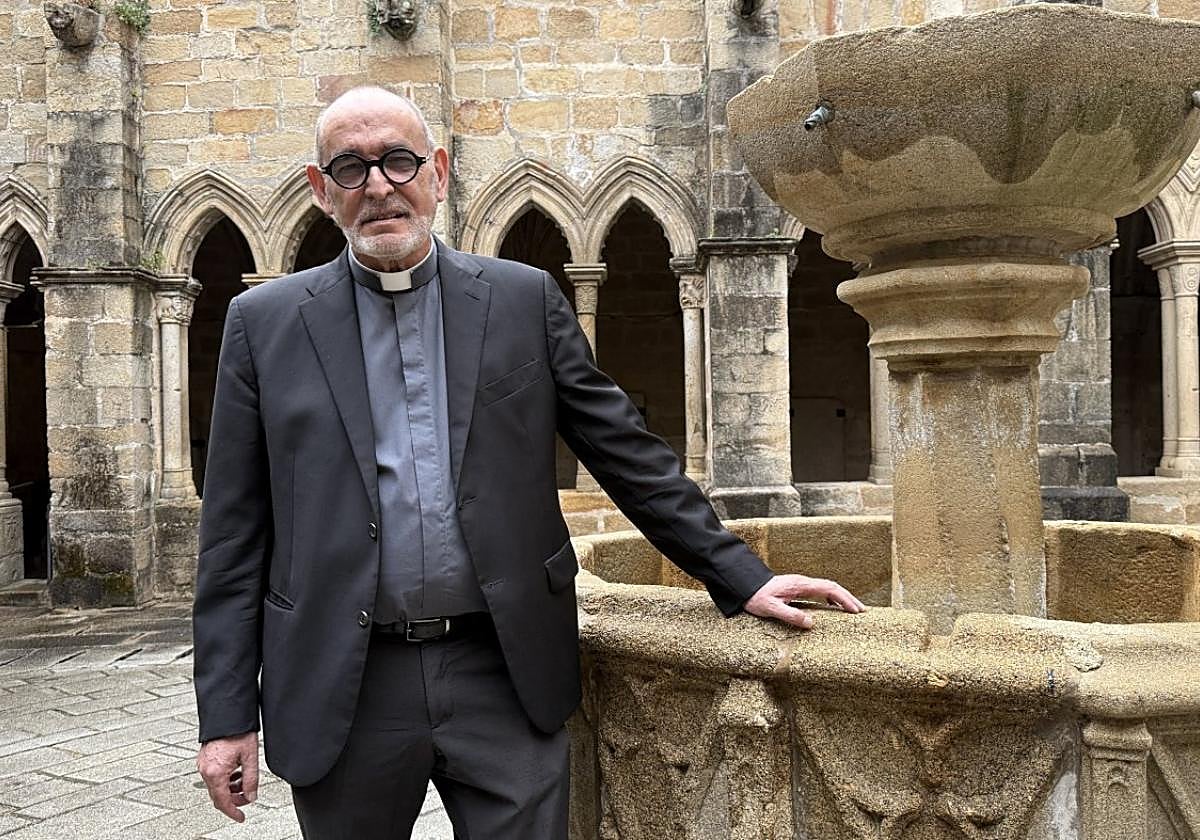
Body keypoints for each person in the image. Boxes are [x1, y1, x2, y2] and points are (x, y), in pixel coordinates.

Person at [192, 85, 865, 840]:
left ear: (438, 174)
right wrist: (224, 717)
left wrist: (739, 575)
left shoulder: (521, 300)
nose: (378, 186)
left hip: (502, 668)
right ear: (321, 191)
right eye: (350, 169)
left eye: (399, 161)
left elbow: (623, 449)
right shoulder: (265, 324)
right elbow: (232, 534)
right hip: (345, 680)